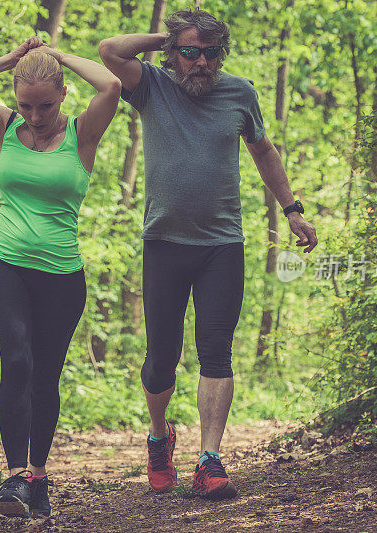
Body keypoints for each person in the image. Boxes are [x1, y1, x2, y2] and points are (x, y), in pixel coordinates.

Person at [99, 9, 318, 499]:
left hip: (222, 245)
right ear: (174, 54)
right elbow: (110, 51)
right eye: (190, 53)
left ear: (222, 56)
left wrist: (293, 210)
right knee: (161, 359)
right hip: (163, 244)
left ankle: (210, 458)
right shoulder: (152, 85)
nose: (200, 63)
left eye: (210, 53)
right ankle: (160, 437)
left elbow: (264, 151)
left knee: (215, 349)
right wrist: (169, 38)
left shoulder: (240, 93)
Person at [0, 37, 121, 517]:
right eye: (26, 104)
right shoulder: (6, 124)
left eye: (45, 104)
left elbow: (111, 83)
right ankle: (15, 476)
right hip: (5, 266)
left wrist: (60, 57)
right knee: (17, 357)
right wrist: (8, 60)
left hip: (63, 277)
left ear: (63, 94)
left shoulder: (84, 133)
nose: (36, 116)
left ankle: (38, 479)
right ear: (15, 99)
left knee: (46, 376)